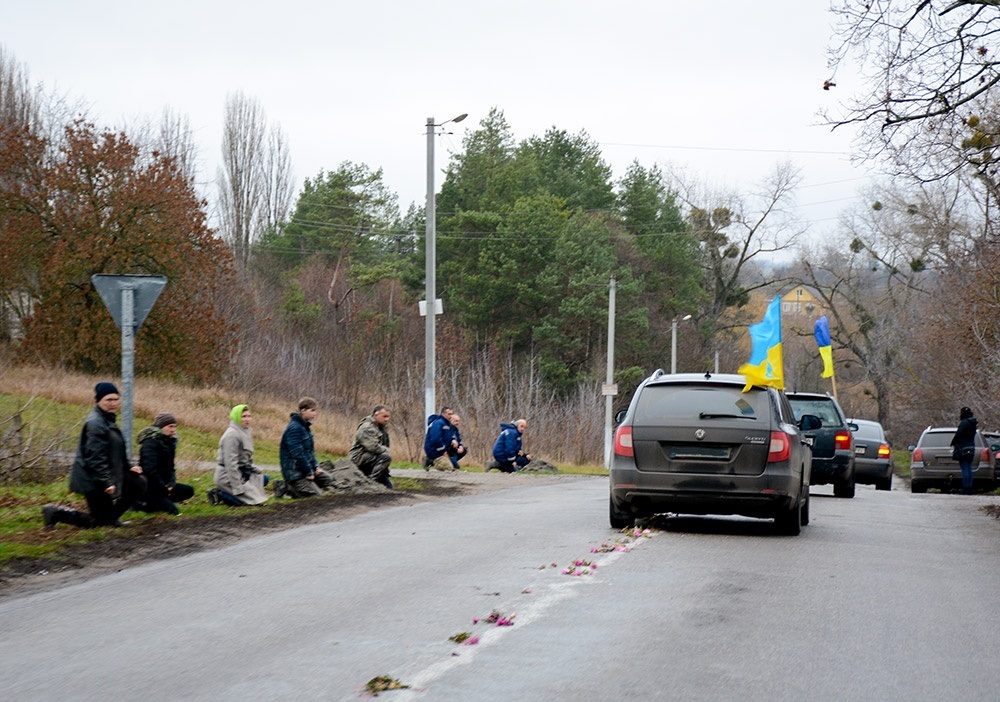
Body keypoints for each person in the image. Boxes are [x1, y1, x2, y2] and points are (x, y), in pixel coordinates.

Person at [42, 382, 147, 528]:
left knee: (138, 482)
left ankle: (112, 517)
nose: (113, 403)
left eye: (116, 399)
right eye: (108, 400)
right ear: (98, 401)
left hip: (105, 474)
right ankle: (56, 512)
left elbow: (116, 450)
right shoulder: (95, 423)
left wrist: (129, 467)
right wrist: (106, 482)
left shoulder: (108, 419)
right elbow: (95, 457)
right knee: (98, 523)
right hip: (92, 479)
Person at [134, 412, 194, 515]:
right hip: (151, 486)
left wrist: (171, 484)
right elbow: (149, 470)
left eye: (175, 427)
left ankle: (161, 500)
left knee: (189, 490)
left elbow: (171, 468)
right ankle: (143, 504)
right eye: (170, 426)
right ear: (161, 427)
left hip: (165, 485)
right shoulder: (150, 443)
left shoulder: (170, 442)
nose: (173, 430)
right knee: (173, 511)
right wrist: (163, 487)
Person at [210, 404, 268, 506]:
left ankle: (232, 493)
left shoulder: (245, 432)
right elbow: (231, 464)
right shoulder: (232, 435)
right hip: (227, 476)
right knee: (250, 502)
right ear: (236, 417)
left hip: (242, 471)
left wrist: (255, 469)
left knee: (264, 478)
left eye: (249, 416)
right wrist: (238, 487)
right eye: (244, 416)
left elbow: (243, 459)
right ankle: (219, 494)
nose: (247, 419)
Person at [277, 397, 333, 498]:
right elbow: (297, 455)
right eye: (312, 411)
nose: (315, 414)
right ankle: (287, 487)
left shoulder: (305, 427)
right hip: (294, 473)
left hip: (305, 469)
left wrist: (315, 467)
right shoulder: (294, 429)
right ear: (303, 411)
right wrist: (308, 472)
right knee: (315, 496)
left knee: (328, 480)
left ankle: (303, 486)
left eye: (315, 411)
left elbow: (310, 452)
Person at [350, 404, 393, 488]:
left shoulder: (382, 427)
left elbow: (384, 444)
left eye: (388, 417)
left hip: (372, 457)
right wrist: (385, 451)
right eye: (384, 416)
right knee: (386, 457)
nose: (387, 419)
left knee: (388, 485)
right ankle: (371, 482)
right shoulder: (367, 427)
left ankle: (377, 480)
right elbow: (373, 447)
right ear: (376, 415)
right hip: (359, 456)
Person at [951, 406, 978, 495]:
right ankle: (969, 487)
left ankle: (965, 488)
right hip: (971, 447)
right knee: (969, 468)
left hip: (963, 447)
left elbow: (959, 434)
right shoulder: (973, 424)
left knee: (965, 468)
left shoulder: (964, 423)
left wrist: (953, 442)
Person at [424, 406, 458, 471]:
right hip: (435, 450)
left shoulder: (448, 424)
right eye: (449, 414)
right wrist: (443, 451)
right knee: (448, 468)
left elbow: (452, 434)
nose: (451, 416)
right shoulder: (438, 423)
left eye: (452, 414)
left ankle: (432, 460)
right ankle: (431, 460)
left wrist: (453, 440)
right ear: (443, 414)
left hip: (444, 448)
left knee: (454, 465)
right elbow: (435, 440)